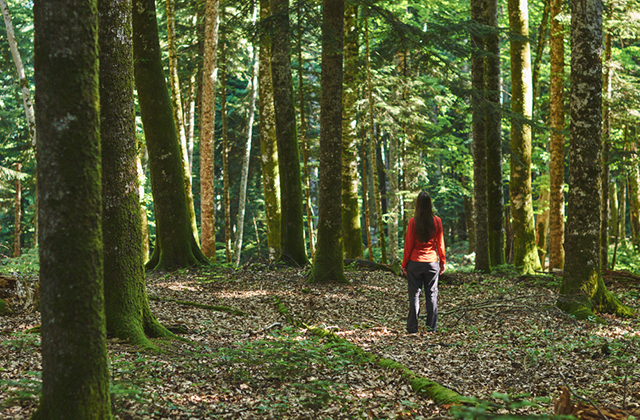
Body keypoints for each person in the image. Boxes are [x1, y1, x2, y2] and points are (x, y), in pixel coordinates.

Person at [401, 191, 446, 334]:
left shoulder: (413, 222)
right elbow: (440, 244)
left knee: (414, 296)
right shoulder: (437, 221)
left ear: (418, 205)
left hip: (415, 263)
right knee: (431, 295)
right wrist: (442, 262)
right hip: (432, 263)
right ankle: (431, 328)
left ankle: (412, 328)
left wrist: (404, 263)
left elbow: (408, 245)